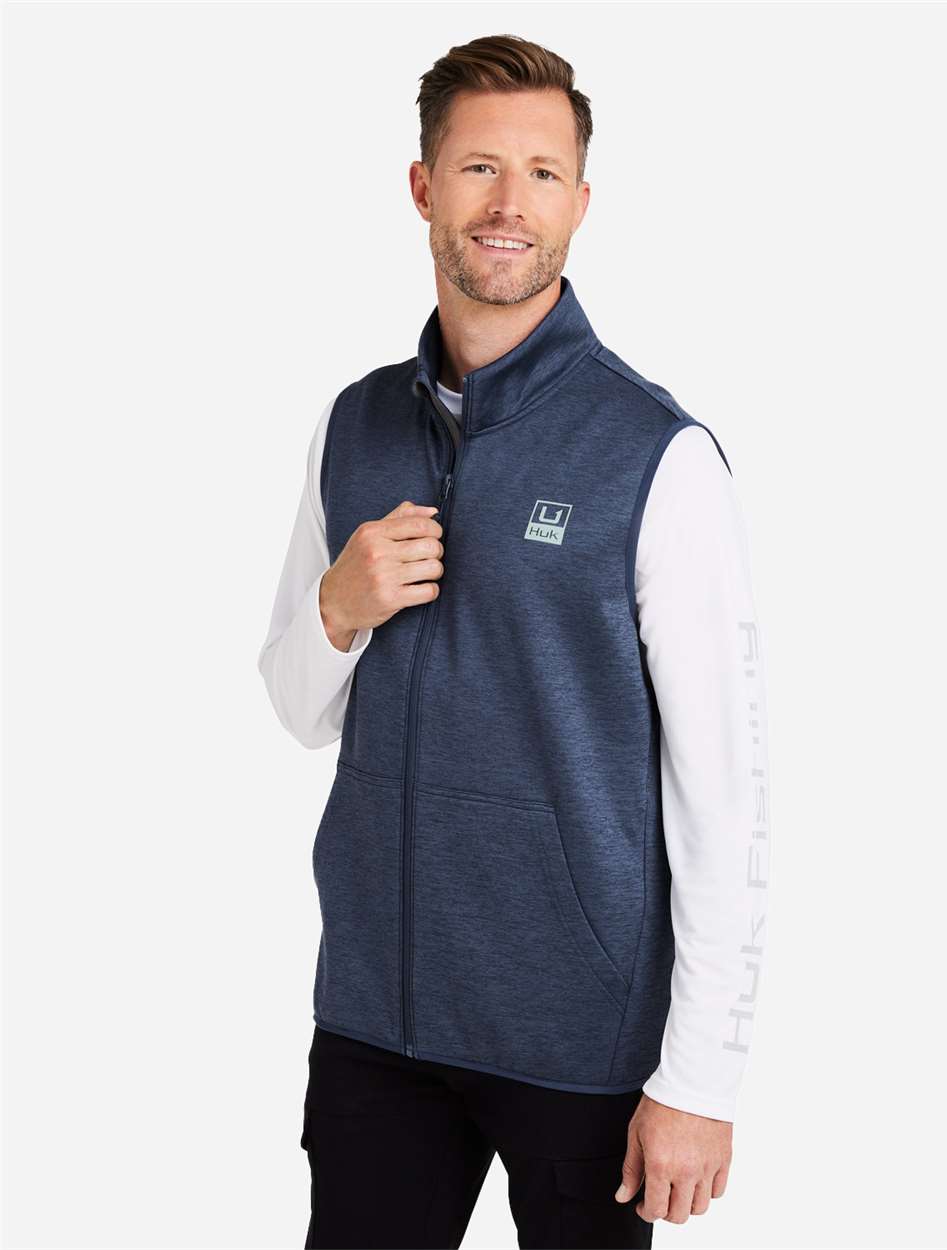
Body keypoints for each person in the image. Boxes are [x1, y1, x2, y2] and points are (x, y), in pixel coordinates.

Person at [258, 33, 771, 1250]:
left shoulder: (656, 455)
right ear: (423, 185)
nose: (508, 203)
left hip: (580, 1038)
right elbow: (296, 704)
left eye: (542, 173)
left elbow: (723, 790)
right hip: (377, 1018)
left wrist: (700, 1078)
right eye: (479, 167)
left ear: (580, 203)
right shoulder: (355, 424)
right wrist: (339, 606)